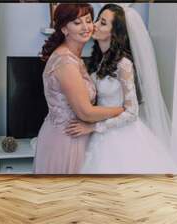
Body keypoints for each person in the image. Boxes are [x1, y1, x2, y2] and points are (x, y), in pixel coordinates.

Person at [65, 4, 177, 174]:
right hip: (99, 129)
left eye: (102, 23)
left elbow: (132, 113)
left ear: (114, 33)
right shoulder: (99, 60)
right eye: (97, 19)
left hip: (119, 136)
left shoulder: (123, 64)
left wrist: (93, 127)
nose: (94, 25)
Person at [34, 3, 124, 174]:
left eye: (88, 21)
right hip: (66, 139)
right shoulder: (65, 62)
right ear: (64, 29)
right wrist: (122, 110)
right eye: (77, 23)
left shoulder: (74, 57)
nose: (86, 27)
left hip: (76, 134)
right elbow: (85, 112)